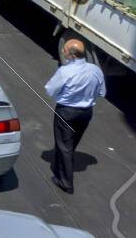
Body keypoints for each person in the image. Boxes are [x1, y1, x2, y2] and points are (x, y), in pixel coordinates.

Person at [44, 38, 106, 194]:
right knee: (72, 143)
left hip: (67, 112)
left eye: (64, 50)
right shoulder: (95, 70)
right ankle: (62, 166)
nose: (63, 52)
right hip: (86, 113)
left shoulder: (65, 71)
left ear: (71, 55)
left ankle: (65, 182)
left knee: (65, 146)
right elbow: (102, 92)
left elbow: (50, 90)